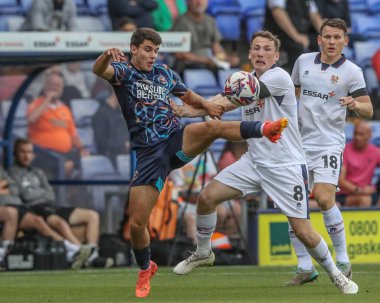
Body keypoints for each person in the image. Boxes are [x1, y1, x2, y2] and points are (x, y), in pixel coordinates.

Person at [92, 27, 288, 298]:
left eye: (156, 51)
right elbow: (98, 70)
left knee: (210, 128)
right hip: (150, 154)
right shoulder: (124, 73)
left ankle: (265, 129)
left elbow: (189, 97)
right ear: (134, 49)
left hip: (175, 139)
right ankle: (145, 268)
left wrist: (209, 107)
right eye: (148, 50)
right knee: (138, 224)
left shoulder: (165, 74)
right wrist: (106, 56)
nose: (152, 56)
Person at [172, 29, 359, 295]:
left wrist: (202, 105)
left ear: (276, 56)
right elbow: (225, 101)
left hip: (285, 166)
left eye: (267, 49)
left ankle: (337, 275)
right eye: (256, 48)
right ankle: (203, 252)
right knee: (206, 198)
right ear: (249, 53)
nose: (261, 53)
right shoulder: (249, 82)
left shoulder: (278, 77)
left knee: (303, 230)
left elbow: (240, 94)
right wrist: (193, 108)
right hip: (254, 162)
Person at [288, 18, 373, 285]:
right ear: (319, 39)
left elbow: (369, 109)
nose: (332, 42)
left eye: (337, 37)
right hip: (298, 143)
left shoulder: (352, 71)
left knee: (324, 199)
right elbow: (292, 95)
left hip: (328, 143)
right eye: (327, 37)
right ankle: (305, 267)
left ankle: (344, 259)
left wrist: (354, 105)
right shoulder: (303, 62)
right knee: (294, 205)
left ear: (345, 41)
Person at [8, 138, 114, 269]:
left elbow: (50, 195)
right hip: (35, 209)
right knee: (60, 223)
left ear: (33, 155)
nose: (26, 156)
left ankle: (91, 253)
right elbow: (25, 196)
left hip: (51, 206)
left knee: (92, 215)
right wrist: (39, 193)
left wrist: (34, 193)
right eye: (22, 152)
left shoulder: (38, 172)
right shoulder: (12, 173)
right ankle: (85, 254)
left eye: (29, 152)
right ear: (15, 153)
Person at [0, 166, 91, 269]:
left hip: (17, 206)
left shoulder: (3, 170)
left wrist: (5, 187)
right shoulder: (14, 171)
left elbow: (15, 189)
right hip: (7, 208)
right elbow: (22, 193)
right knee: (11, 213)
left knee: (38, 221)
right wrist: (4, 186)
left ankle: (68, 249)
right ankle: (4, 255)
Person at [27, 72, 90, 178]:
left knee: (85, 159)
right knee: (62, 164)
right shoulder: (37, 103)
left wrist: (81, 149)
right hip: (44, 154)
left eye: (58, 85)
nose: (55, 88)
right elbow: (31, 118)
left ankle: (71, 190)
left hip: (66, 154)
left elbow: (73, 134)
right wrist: (47, 99)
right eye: (52, 84)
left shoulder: (65, 109)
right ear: (45, 86)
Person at [171, 0, 239, 74]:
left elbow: (216, 48)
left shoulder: (210, 20)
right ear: (188, 2)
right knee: (200, 68)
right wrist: (206, 61)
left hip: (210, 63)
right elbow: (179, 54)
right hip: (189, 64)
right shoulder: (180, 22)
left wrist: (227, 58)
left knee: (236, 69)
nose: (199, 2)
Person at [264, 0, 323, 71]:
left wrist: (327, 33)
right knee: (298, 48)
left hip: (302, 34)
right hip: (279, 36)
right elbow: (277, 12)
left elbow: (314, 15)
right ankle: (295, 80)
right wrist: (296, 36)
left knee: (320, 42)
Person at [336, 121, 380, 207]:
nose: (357, 137)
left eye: (361, 134)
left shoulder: (375, 152)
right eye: (355, 133)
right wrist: (360, 190)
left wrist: (376, 188)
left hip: (365, 193)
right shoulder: (345, 150)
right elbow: (341, 181)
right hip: (344, 195)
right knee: (365, 199)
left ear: (369, 136)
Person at [92, 87, 130, 165]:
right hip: (109, 160)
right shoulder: (101, 113)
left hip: (124, 157)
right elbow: (101, 143)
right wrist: (123, 145)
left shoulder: (119, 113)